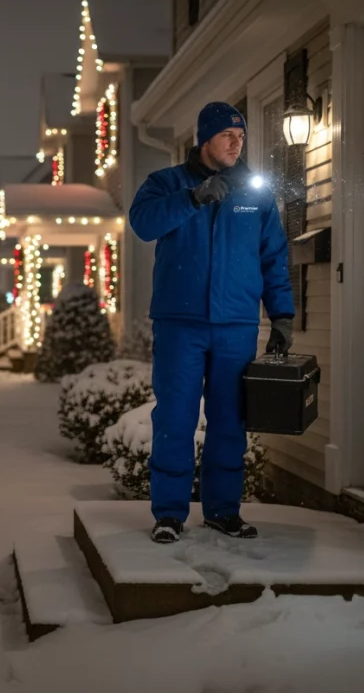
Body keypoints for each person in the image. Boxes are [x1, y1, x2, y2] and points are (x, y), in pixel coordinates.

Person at [129, 101, 294, 544]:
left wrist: (281, 316)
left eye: (241, 136)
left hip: (236, 325)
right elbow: (142, 224)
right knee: (176, 420)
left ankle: (223, 511)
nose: (237, 142)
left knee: (229, 421)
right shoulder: (166, 183)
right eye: (227, 135)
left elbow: (274, 257)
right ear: (205, 139)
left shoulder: (255, 194)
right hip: (180, 324)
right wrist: (191, 199)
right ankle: (169, 513)